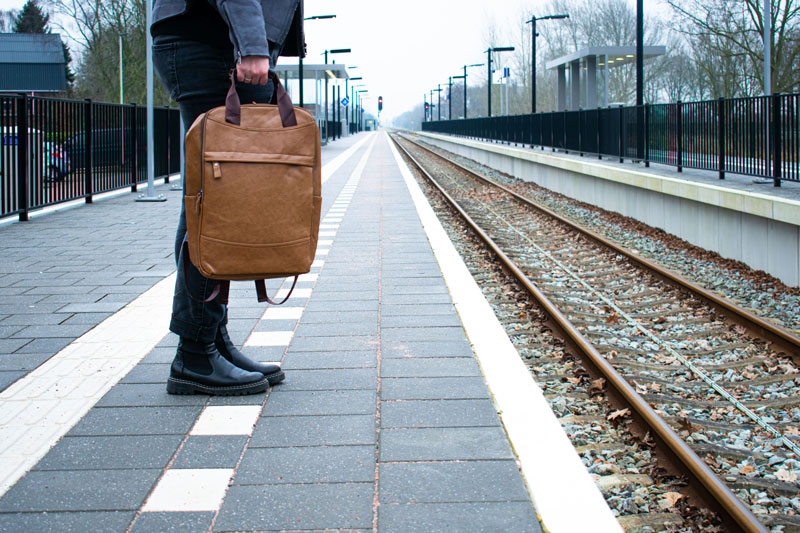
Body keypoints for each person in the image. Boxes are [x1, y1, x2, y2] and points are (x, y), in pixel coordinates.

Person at [151, 0, 304, 395]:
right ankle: (196, 354)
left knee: (213, 198)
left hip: (209, 35)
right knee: (210, 203)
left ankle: (212, 341)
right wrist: (252, 45)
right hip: (207, 37)